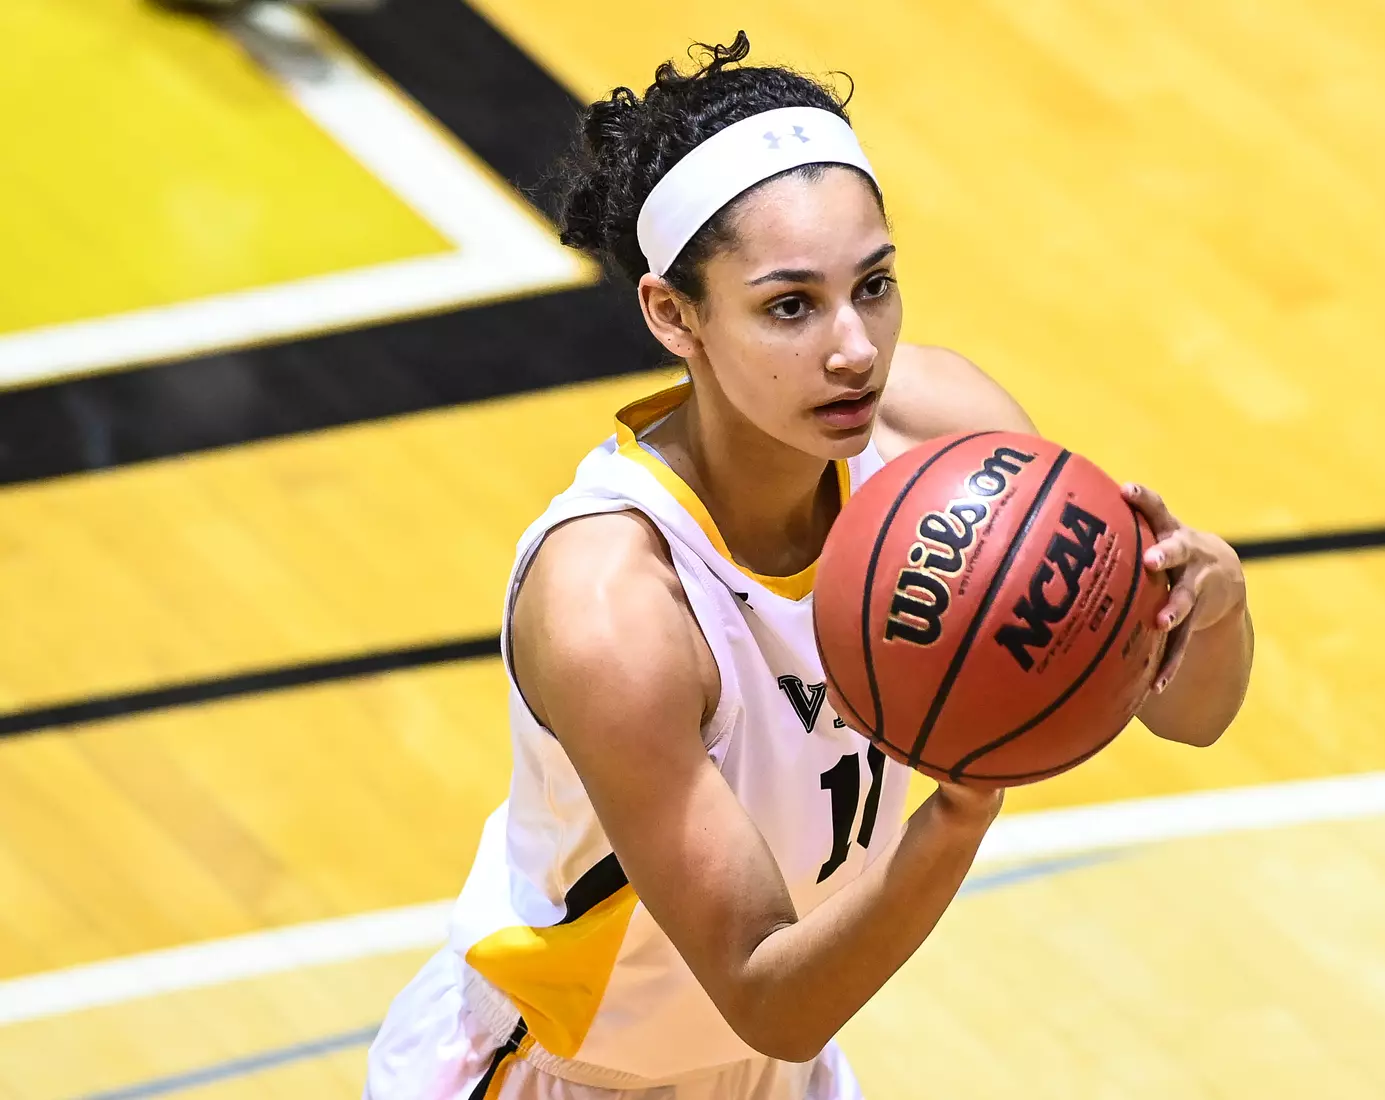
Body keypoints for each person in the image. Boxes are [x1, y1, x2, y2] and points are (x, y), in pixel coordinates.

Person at [364, 32, 1254, 1100]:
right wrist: (959, 811)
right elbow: (765, 988)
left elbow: (1186, 715)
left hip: (777, 1071)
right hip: (564, 1076)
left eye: (872, 285)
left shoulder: (943, 434)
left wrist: (1210, 606)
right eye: (789, 305)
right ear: (672, 313)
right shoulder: (614, 604)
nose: (852, 349)